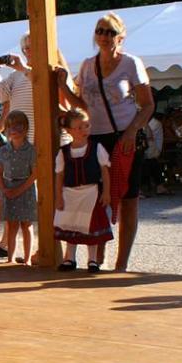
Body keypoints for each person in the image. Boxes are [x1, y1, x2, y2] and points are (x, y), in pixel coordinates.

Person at [55, 12, 153, 271]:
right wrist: (63, 87)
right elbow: (82, 105)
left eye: (110, 32)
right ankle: (97, 258)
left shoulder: (131, 63)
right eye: (100, 31)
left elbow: (148, 105)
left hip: (124, 138)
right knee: (96, 197)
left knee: (128, 199)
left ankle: (121, 264)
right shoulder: (88, 66)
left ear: (121, 37)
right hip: (95, 139)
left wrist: (131, 132)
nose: (104, 36)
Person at [53, 109, 112, 272]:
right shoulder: (63, 152)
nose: (84, 130)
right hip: (70, 194)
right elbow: (59, 175)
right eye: (79, 127)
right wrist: (59, 197)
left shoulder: (96, 148)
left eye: (86, 125)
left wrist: (106, 192)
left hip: (91, 193)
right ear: (69, 130)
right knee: (70, 225)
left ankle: (92, 260)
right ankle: (69, 258)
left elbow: (105, 171)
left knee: (90, 226)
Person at [0, 110, 37, 264]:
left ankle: (27, 260)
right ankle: (10, 259)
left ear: (26, 128)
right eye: (10, 127)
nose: (14, 130)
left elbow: (34, 174)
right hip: (8, 188)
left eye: (19, 126)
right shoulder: (3, 150)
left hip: (26, 189)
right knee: (11, 225)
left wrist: (20, 189)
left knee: (26, 224)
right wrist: (4, 189)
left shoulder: (31, 150)